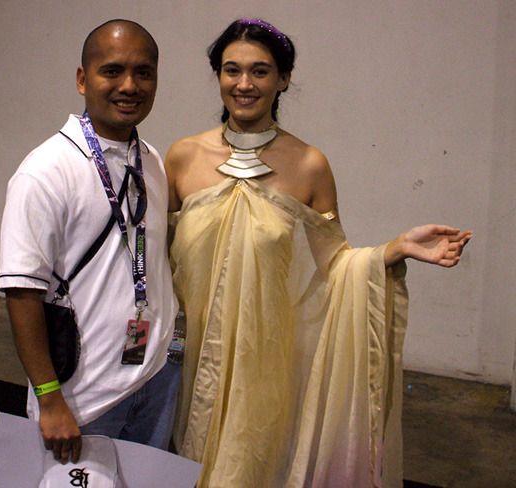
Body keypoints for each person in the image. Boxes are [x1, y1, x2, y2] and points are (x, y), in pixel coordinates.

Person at [165, 18, 471, 488]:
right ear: (218, 76)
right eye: (232, 70)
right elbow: (157, 254)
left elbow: (334, 267)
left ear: (284, 79)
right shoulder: (182, 157)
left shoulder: (309, 165)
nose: (244, 84)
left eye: (261, 71)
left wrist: (392, 250)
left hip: (262, 366)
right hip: (179, 366)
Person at [0, 19, 179, 464]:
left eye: (144, 72)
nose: (129, 85)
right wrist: (49, 398)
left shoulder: (151, 160)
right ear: (83, 79)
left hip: (152, 381)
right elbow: (22, 293)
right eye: (112, 71)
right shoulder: (45, 171)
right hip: (83, 403)